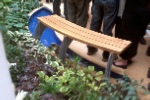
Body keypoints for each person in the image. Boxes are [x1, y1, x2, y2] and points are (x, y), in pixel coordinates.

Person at [113, 0, 150, 69]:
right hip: (144, 11)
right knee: (135, 36)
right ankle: (129, 57)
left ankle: (124, 60)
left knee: (127, 34)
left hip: (133, 11)